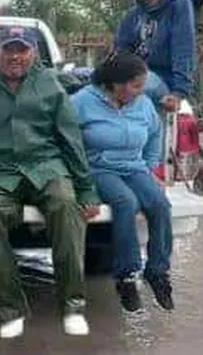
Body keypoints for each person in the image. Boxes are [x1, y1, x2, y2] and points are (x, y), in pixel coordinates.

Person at [0, 27, 100, 339]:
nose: (15, 56)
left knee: (65, 206)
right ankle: (12, 309)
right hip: (0, 171)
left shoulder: (50, 83)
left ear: (34, 53)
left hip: (46, 167)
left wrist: (86, 190)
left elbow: (70, 139)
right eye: (9, 49)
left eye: (23, 50)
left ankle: (73, 305)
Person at [70, 51, 175, 314]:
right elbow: (65, 141)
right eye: (135, 85)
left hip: (134, 166)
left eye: (143, 85)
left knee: (159, 203)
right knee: (125, 202)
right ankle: (126, 276)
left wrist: (151, 168)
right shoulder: (81, 102)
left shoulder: (143, 104)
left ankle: (158, 271)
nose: (141, 91)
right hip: (98, 167)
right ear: (114, 82)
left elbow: (155, 135)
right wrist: (79, 181)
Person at [114, 0, 197, 113]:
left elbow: (183, 50)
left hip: (164, 80)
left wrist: (179, 93)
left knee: (129, 87)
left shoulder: (179, 6)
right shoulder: (132, 14)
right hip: (134, 75)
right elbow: (120, 51)